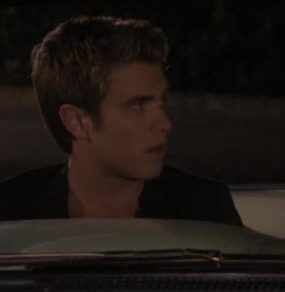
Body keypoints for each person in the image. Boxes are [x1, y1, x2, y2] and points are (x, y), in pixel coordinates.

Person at [0, 16, 242, 226]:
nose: (164, 123)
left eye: (161, 102)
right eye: (137, 105)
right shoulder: (11, 209)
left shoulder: (202, 207)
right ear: (77, 122)